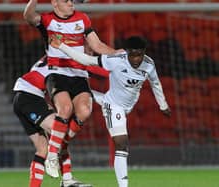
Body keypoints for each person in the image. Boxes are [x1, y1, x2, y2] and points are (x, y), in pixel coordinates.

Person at [50, 35, 171, 187]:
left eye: (139, 54)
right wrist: (61, 46)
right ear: (127, 52)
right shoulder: (115, 60)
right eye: (132, 55)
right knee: (122, 144)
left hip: (128, 105)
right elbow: (88, 61)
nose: (136, 59)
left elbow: (155, 83)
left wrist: (163, 105)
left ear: (144, 53)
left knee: (99, 99)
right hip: (113, 105)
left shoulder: (149, 64)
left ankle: (90, 94)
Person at [23, 0, 118, 178]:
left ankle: (57, 145)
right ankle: (52, 156)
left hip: (79, 74)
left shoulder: (83, 19)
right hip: (57, 73)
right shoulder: (47, 20)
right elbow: (28, 17)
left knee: (84, 111)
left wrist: (117, 54)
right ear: (55, 3)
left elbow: (97, 46)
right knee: (65, 109)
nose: (71, 3)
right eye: (66, 0)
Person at [13, 56, 92, 187]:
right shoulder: (62, 64)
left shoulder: (46, 60)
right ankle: (67, 180)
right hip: (29, 98)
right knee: (60, 134)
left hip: (21, 97)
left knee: (43, 149)